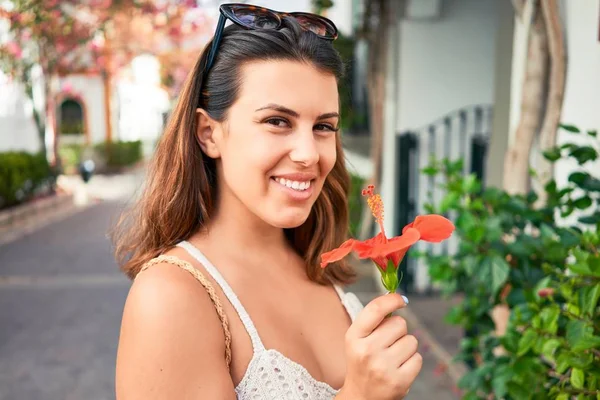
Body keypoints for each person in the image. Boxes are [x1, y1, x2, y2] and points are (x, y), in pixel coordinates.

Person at [114, 3, 422, 399]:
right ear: (208, 133)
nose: (309, 154)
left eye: (324, 126)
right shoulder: (172, 297)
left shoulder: (319, 266)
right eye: (278, 121)